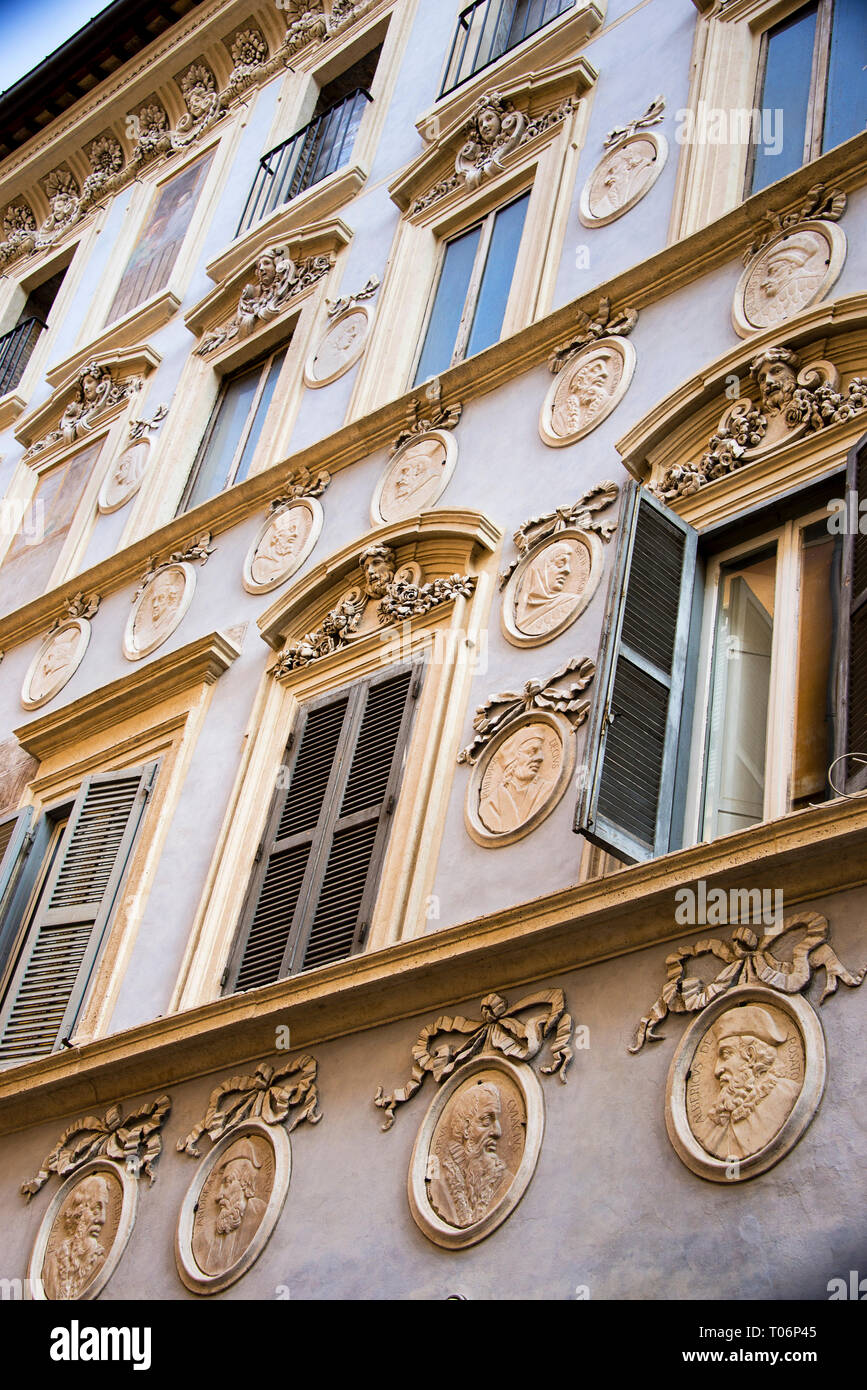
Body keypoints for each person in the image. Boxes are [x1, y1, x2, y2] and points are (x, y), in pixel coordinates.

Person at [691, 1006, 802, 1161]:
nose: (717, 1070)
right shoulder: (715, 1121)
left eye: (726, 1054)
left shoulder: (788, 1096)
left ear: (750, 1055)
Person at [428, 1082, 515, 1228]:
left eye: (497, 1120)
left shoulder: (506, 1180)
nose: (497, 1131)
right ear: (466, 1128)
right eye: (487, 1121)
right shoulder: (438, 1184)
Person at [193, 1139, 269, 1276]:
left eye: (227, 1182)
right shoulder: (201, 1241)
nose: (218, 1195)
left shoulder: (260, 1214)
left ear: (245, 1184)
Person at [42, 1173, 111, 1300]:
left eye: (103, 1210)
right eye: (96, 1209)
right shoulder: (51, 1266)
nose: (102, 1219)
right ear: (78, 1212)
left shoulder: (99, 1264)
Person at [479, 731, 556, 834]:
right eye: (533, 751)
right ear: (514, 757)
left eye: (541, 751)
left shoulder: (547, 790)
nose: (540, 758)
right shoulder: (491, 803)